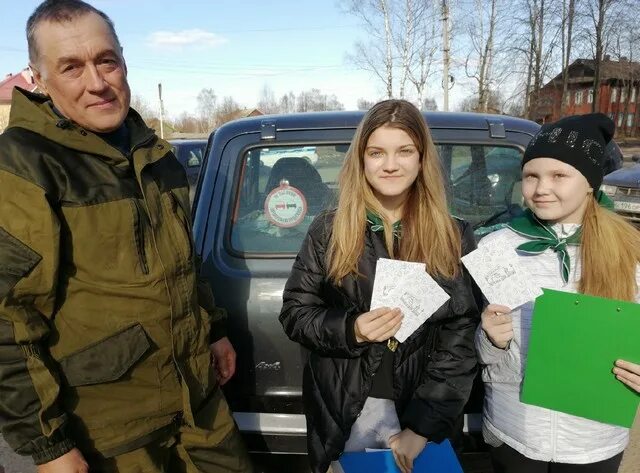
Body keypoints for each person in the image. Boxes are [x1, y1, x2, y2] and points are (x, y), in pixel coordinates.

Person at [0, 1, 252, 472]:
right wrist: (48, 446)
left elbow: (183, 263)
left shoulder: (154, 154)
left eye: (105, 60)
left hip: (196, 403)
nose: (96, 82)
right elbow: (9, 320)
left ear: (123, 62)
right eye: (71, 68)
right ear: (38, 79)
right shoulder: (24, 166)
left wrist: (214, 329)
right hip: (110, 430)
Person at [279, 99, 481, 473]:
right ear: (361, 159)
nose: (390, 164)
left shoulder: (453, 235)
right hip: (347, 410)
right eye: (377, 152)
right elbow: (295, 313)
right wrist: (350, 328)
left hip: (421, 410)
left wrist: (422, 426)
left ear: (422, 158)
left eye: (404, 151)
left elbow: (462, 335)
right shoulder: (329, 230)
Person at [476, 113, 640, 473]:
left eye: (559, 175)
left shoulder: (630, 252)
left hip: (593, 441)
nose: (541, 188)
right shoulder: (498, 246)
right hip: (515, 431)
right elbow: (483, 352)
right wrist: (490, 340)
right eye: (531, 175)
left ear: (590, 183)